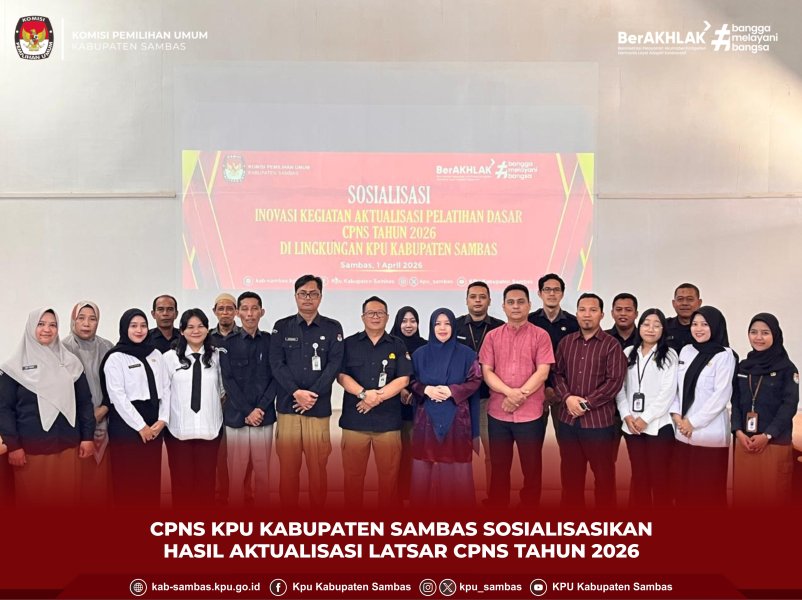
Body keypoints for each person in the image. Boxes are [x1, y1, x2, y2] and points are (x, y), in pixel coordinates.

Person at [0, 308, 95, 506]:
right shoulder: (13, 367)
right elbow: (4, 409)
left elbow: (85, 402)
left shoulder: (71, 363)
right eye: (41, 324)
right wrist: (14, 446)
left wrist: (87, 437)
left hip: (68, 446)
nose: (47, 329)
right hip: (31, 450)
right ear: (30, 327)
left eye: (53, 325)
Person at [270, 275, 344, 509]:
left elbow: (334, 365)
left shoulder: (333, 327)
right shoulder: (282, 327)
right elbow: (276, 364)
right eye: (303, 293)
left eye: (313, 293)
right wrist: (296, 392)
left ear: (320, 297)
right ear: (295, 296)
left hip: (317, 409)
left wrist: (311, 394)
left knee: (318, 468)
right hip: (288, 408)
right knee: (288, 469)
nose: (308, 298)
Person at [479, 284, 553, 508]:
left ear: (529, 305)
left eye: (521, 302)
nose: (516, 306)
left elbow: (543, 372)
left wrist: (519, 396)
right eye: (510, 302)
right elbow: (486, 372)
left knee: (531, 466)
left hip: (530, 413)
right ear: (503, 306)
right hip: (498, 412)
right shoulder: (492, 337)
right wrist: (509, 393)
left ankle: (529, 505)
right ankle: (498, 503)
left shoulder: (541, 335)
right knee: (499, 465)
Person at [553, 293, 627, 508]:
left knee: (604, 477)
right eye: (582, 310)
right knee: (570, 477)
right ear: (576, 314)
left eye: (593, 310)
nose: (587, 314)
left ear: (602, 315)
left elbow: (614, 382)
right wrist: (567, 398)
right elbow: (556, 374)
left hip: (599, 424)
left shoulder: (612, 345)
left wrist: (586, 403)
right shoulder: (566, 343)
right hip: (568, 422)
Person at [337, 297, 412, 508]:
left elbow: (403, 379)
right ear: (363, 317)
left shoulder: (397, 344)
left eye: (380, 313)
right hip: (355, 421)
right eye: (371, 313)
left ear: (387, 317)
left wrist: (375, 398)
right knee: (352, 478)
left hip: (387, 423)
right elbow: (341, 376)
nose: (376, 316)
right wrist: (364, 394)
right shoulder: (349, 344)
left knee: (389, 479)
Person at [409, 308, 482, 506]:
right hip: (426, 419)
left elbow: (475, 380)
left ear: (453, 326)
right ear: (431, 327)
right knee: (424, 466)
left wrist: (452, 391)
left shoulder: (467, 354)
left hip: (457, 418)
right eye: (437, 324)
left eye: (447, 323)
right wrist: (426, 389)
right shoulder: (419, 354)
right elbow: (410, 381)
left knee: (456, 468)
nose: (442, 328)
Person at [100, 309, 170, 507]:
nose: (139, 330)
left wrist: (162, 420)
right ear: (125, 328)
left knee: (150, 479)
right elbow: (117, 396)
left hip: (154, 422)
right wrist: (141, 427)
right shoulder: (115, 357)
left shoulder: (155, 354)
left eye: (143, 325)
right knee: (129, 481)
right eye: (133, 326)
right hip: (126, 425)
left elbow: (166, 388)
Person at [670, 306, 735, 507]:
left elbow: (721, 395)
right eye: (695, 324)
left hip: (709, 433)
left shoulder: (724, 355)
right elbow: (676, 388)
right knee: (682, 489)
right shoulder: (686, 351)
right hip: (682, 432)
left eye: (705, 324)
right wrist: (678, 418)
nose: (698, 329)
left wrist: (693, 423)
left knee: (706, 492)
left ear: (715, 326)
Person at [732, 313, 799, 506]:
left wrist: (768, 435)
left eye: (765, 332)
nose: (758, 337)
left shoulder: (787, 368)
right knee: (744, 499)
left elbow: (789, 405)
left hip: (774, 443)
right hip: (745, 442)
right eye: (753, 332)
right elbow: (735, 401)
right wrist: (738, 432)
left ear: (775, 335)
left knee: (772, 500)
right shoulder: (743, 367)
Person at [614, 309, 678, 507]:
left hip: (658, 425)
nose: (651, 329)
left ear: (663, 330)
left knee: (660, 478)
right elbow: (619, 388)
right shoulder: (627, 353)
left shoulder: (669, 355)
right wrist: (626, 416)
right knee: (639, 477)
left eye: (656, 325)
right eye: (646, 324)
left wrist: (645, 419)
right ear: (639, 326)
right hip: (631, 426)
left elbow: (667, 393)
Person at [163, 309, 225, 509]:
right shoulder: (169, 358)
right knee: (182, 485)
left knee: (206, 485)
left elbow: (223, 390)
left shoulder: (217, 356)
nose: (196, 331)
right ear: (181, 331)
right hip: (178, 431)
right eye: (190, 327)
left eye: (200, 326)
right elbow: (164, 393)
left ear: (208, 329)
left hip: (210, 429)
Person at [219, 292, 275, 508]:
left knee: (263, 472)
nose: (250, 314)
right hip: (237, 416)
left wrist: (260, 408)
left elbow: (276, 377)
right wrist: (247, 411)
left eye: (254, 309)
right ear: (237, 313)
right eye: (245, 309)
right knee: (236, 472)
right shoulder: (228, 344)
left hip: (263, 416)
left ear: (262, 312)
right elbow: (228, 381)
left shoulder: (271, 341)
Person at [455, 281, 504, 497]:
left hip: (489, 399)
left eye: (482, 297)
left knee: (493, 453)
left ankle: (494, 497)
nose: (477, 301)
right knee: (459, 452)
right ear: (466, 300)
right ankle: (461, 497)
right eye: (473, 297)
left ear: (489, 301)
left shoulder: (500, 327)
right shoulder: (454, 326)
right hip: (460, 401)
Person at [62, 301, 114, 504]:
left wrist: (104, 408)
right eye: (81, 318)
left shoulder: (107, 347)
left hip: (105, 420)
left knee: (102, 484)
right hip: (74, 424)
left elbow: (116, 385)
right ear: (73, 320)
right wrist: (85, 417)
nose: (86, 323)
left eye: (92, 319)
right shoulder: (61, 349)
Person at [528, 273, 579, 436]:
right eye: (547, 289)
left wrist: (557, 389)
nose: (551, 293)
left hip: (565, 391)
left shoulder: (574, 323)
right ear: (539, 293)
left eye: (556, 290)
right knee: (532, 443)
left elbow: (577, 359)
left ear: (562, 294)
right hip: (535, 390)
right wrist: (543, 387)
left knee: (567, 442)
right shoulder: (529, 321)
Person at [390, 306, 426, 501]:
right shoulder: (390, 344)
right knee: (395, 454)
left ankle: (413, 494)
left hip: (418, 407)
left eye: (413, 321)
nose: (408, 325)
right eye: (404, 321)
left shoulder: (425, 346)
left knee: (413, 452)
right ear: (397, 323)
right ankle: (396, 495)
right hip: (393, 408)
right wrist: (400, 390)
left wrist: (413, 390)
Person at [665, 283, 702, 353]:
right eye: (680, 299)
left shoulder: (707, 328)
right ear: (673, 303)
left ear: (699, 303)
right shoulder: (664, 326)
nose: (684, 303)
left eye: (690, 299)